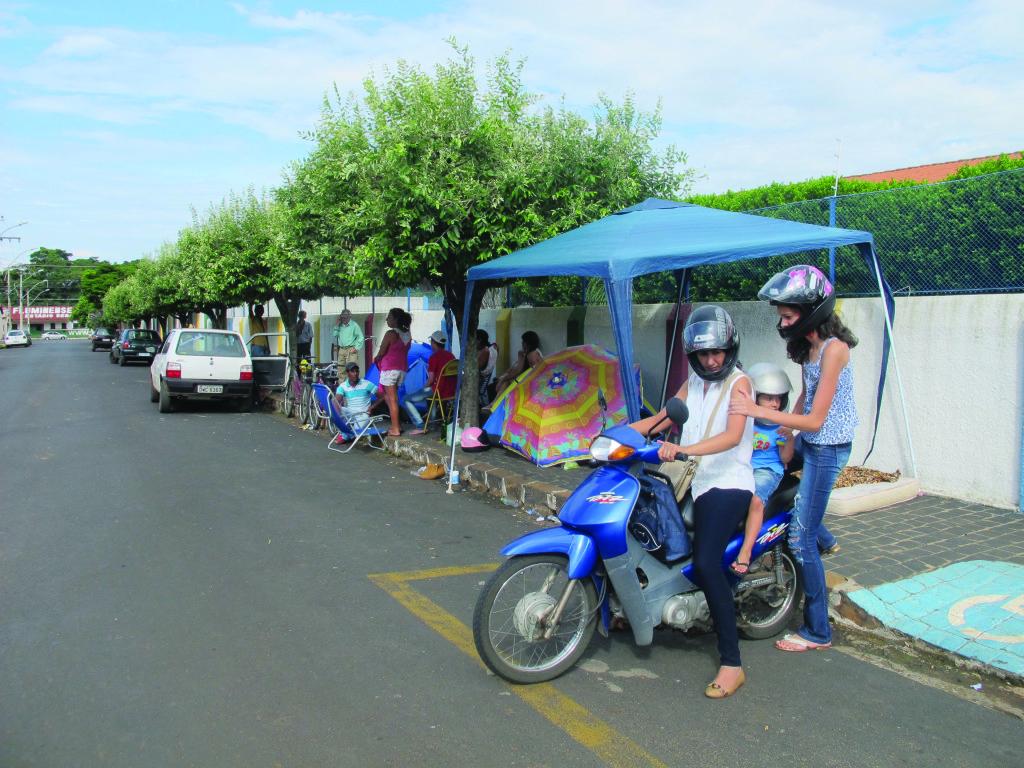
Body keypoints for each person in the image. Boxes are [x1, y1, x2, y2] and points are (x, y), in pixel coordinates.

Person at [730, 264, 858, 653]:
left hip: (828, 446)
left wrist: (761, 413)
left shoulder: (835, 349)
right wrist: (787, 432)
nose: (783, 323)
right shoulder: (808, 347)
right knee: (778, 471)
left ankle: (818, 631)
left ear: (814, 310)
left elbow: (817, 419)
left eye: (788, 315)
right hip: (810, 438)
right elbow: (805, 397)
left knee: (800, 541)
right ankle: (827, 538)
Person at [629, 305, 754, 699]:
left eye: (717, 352)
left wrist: (685, 451)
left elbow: (733, 436)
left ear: (729, 348)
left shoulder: (739, 384)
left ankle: (732, 663)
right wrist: (613, 437)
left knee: (704, 562)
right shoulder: (694, 383)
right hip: (696, 482)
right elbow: (663, 418)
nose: (711, 360)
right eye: (703, 354)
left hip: (729, 482)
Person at [730, 363, 795, 575]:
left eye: (778, 398)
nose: (775, 404)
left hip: (768, 469)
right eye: (769, 398)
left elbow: (785, 458)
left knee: (756, 501)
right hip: (744, 467)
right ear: (755, 397)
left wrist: (789, 439)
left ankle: (746, 551)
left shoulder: (780, 426)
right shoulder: (747, 421)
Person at [403, 330, 457, 434]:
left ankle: (419, 426)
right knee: (429, 396)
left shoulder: (434, 357)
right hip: (451, 392)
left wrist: (423, 389)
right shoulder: (451, 355)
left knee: (406, 399)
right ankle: (432, 424)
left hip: (439, 391)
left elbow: (431, 380)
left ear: (433, 342)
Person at [373, 307, 412, 437]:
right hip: (401, 369)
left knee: (392, 399)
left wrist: (377, 358)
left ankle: (395, 428)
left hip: (390, 369)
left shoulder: (391, 334)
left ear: (396, 319)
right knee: (391, 398)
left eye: (389, 317)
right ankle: (397, 425)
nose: (387, 320)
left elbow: (382, 352)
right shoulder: (407, 333)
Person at [331, 362, 380, 443]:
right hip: (351, 413)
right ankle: (346, 436)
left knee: (356, 431)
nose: (355, 374)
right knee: (339, 409)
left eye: (357, 371)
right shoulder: (343, 386)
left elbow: (382, 396)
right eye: (352, 371)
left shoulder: (366, 384)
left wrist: (372, 407)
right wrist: (338, 417)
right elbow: (336, 401)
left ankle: (345, 436)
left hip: (363, 414)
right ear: (347, 373)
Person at [491, 331, 543, 398]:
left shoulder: (532, 355)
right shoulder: (528, 354)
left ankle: (494, 404)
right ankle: (494, 404)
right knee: (502, 383)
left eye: (523, 342)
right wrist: (502, 378)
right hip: (525, 379)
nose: (522, 344)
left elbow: (523, 371)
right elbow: (515, 369)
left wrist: (503, 379)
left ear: (526, 343)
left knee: (505, 383)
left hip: (532, 383)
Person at [476, 329, 497, 404]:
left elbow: (478, 367)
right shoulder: (482, 351)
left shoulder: (485, 351)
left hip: (478, 378)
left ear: (479, 340)